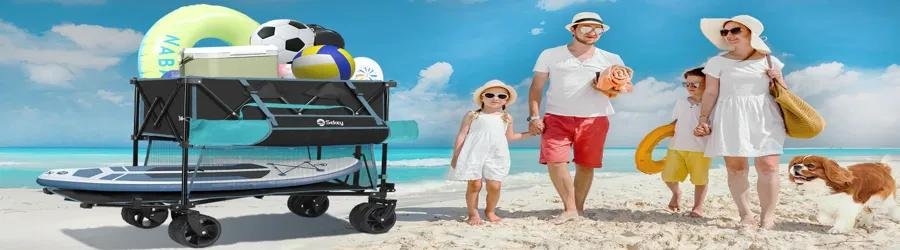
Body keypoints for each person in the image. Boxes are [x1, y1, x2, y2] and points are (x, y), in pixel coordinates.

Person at [528, 12, 625, 224]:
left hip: (595, 118)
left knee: (586, 164)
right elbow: (536, 87)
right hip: (556, 117)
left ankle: (577, 209)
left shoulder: (612, 58)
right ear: (573, 30)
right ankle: (570, 208)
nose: (592, 32)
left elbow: (621, 89)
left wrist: (606, 88)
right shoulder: (550, 54)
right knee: (555, 162)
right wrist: (534, 116)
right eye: (585, 28)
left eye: (597, 29)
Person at [694, 15, 786, 229]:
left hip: (764, 115)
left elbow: (784, 91)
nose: (728, 35)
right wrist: (703, 119)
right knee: (736, 168)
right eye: (724, 32)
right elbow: (710, 92)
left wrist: (778, 78)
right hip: (730, 115)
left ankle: (768, 216)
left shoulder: (769, 60)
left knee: (769, 166)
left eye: (735, 30)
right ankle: (745, 214)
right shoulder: (716, 62)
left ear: (749, 33)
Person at [449, 80, 533, 225]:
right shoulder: (473, 115)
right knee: (475, 184)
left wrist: (530, 133)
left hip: (497, 154)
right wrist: (456, 155)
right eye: (490, 95)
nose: (495, 98)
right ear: (482, 97)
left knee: (495, 186)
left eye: (501, 96)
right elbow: (462, 134)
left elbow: (511, 137)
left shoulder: (506, 117)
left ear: (506, 100)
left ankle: (490, 211)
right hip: (474, 152)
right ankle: (473, 214)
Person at [662, 67, 712, 218]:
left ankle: (698, 207)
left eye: (695, 84)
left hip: (700, 149)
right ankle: (676, 193)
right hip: (676, 146)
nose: (690, 87)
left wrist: (707, 130)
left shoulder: (710, 104)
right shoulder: (681, 102)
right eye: (687, 84)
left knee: (700, 179)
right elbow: (675, 122)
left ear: (706, 84)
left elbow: (713, 124)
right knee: (668, 176)